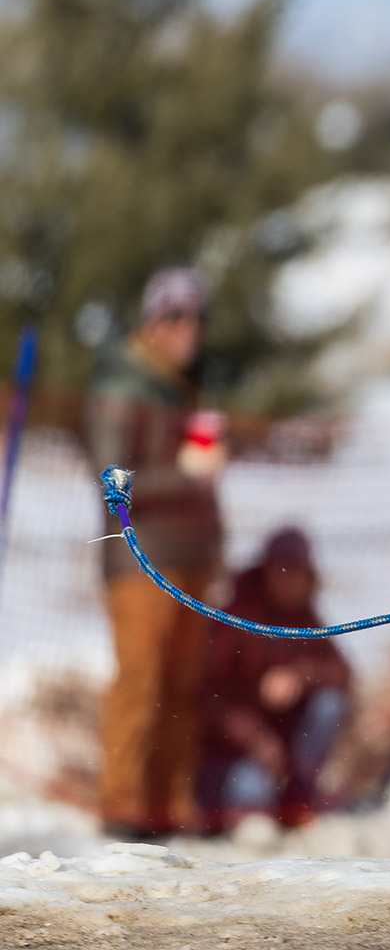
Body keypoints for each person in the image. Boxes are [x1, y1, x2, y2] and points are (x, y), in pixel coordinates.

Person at [84, 267, 225, 839]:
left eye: (198, 317)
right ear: (154, 320)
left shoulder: (187, 387)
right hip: (141, 559)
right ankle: (123, 807)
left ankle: (168, 805)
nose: (191, 329)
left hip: (192, 554)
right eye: (178, 316)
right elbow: (112, 482)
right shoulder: (123, 383)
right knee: (141, 680)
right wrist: (186, 473)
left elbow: (203, 480)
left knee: (181, 685)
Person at [195, 528, 351, 833]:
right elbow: (210, 698)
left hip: (285, 755)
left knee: (330, 703)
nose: (289, 581)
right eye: (282, 571)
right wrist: (256, 739)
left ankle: (299, 794)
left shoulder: (306, 619)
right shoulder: (234, 618)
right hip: (233, 754)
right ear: (265, 573)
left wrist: (301, 676)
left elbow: (343, 673)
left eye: (297, 573)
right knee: (253, 797)